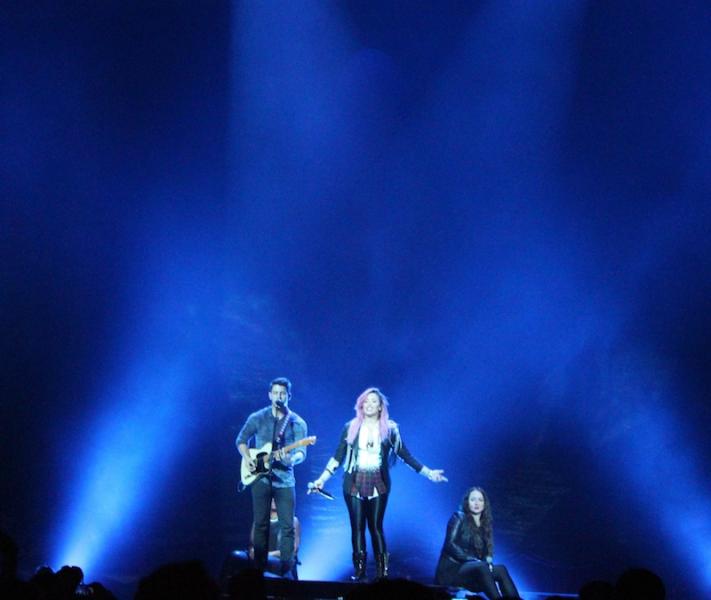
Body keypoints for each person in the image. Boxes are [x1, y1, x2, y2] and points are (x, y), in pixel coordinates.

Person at [313, 387, 447, 581]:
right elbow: (338, 456)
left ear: (380, 407)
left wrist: (428, 473)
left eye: (374, 401)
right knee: (357, 526)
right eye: (366, 401)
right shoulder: (350, 427)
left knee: (375, 526)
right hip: (354, 480)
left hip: (378, 480)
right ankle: (359, 572)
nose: (369, 404)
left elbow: (405, 455)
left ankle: (382, 573)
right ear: (361, 404)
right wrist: (322, 479)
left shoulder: (390, 429)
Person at [236, 377, 308, 577]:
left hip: (285, 479)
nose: (279, 396)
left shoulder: (297, 422)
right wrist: (248, 457)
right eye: (275, 393)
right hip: (260, 477)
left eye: (283, 393)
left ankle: (286, 570)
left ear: (289, 396)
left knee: (287, 525)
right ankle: (258, 569)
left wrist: (293, 458)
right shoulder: (257, 417)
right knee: (260, 523)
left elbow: (302, 451)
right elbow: (241, 440)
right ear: (269, 395)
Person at [435, 486, 520, 599]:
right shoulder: (458, 517)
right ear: (467, 502)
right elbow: (450, 544)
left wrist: (488, 562)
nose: (476, 503)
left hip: (475, 569)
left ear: (485, 504)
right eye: (473, 499)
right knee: (482, 566)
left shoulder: (485, 525)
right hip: (452, 570)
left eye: (480, 500)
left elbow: (486, 553)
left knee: (500, 569)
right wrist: (473, 560)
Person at [220, 499, 301, 586]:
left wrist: (266, 555)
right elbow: (252, 544)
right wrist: (253, 552)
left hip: (280, 561)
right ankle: (223, 589)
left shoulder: (292, 520)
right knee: (234, 556)